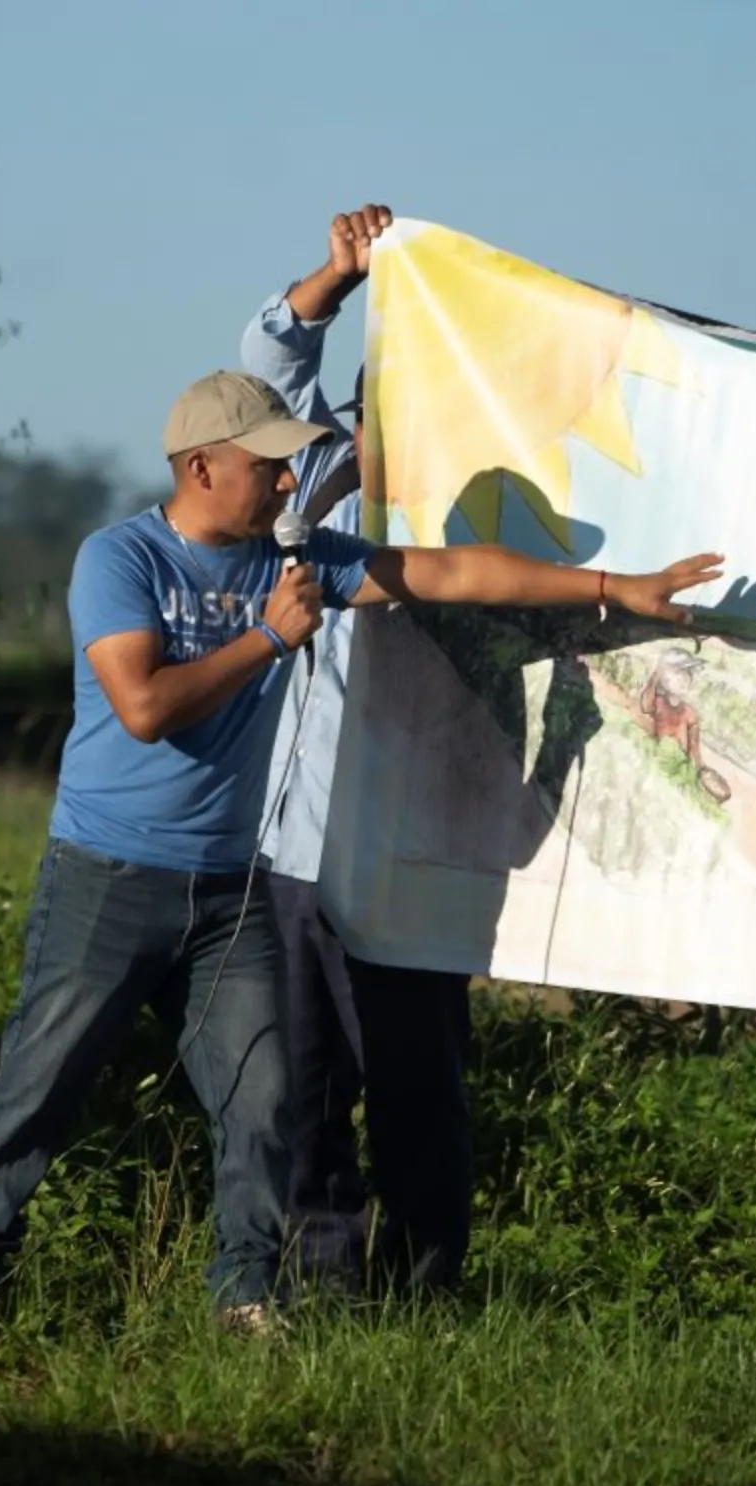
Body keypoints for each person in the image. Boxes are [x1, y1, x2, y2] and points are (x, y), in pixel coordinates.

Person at [0, 364, 725, 1343]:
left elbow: (448, 572)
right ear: (204, 466)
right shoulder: (120, 559)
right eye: (270, 466)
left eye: (294, 464)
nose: (290, 483)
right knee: (38, 1089)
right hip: (108, 879)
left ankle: (244, 1298)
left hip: (231, 893)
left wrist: (615, 589)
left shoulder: (297, 560)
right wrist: (268, 636)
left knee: (265, 1097)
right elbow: (143, 708)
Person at [237, 201, 476, 1296]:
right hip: (296, 840)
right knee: (303, 1076)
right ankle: (323, 1280)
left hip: (415, 837)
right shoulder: (315, 463)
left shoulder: (480, 505)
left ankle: (428, 1283)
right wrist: (338, 275)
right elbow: (269, 355)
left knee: (419, 1074)